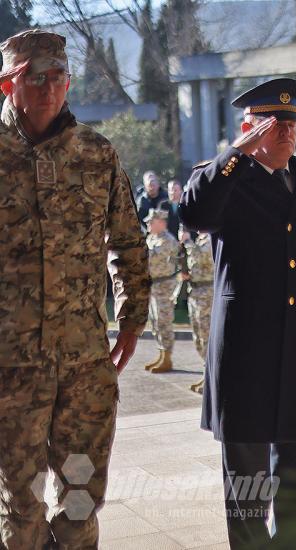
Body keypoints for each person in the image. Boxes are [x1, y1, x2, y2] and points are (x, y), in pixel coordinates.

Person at [180, 78, 296, 549]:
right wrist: (235, 154)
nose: (286, 132)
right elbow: (194, 214)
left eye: (292, 123)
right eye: (274, 124)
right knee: (250, 489)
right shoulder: (225, 178)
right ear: (248, 127)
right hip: (247, 355)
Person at [0, 29, 150, 548]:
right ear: (7, 85)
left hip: (84, 369)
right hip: (10, 371)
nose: (48, 86)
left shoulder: (97, 154)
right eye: (34, 76)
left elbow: (128, 241)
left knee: (82, 492)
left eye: (58, 76)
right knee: (20, 503)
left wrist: (132, 318)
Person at [143, 208, 181, 374]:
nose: (148, 224)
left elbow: (151, 257)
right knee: (156, 322)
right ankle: (161, 354)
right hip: (153, 285)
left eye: (151, 222)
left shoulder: (168, 240)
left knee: (164, 322)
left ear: (161, 222)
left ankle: (167, 358)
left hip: (165, 286)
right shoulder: (151, 238)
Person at [179, 227, 214, 393]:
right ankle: (205, 373)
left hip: (206, 294)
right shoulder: (200, 239)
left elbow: (202, 257)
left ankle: (210, 379)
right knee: (198, 336)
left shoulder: (211, 238)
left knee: (207, 336)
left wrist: (187, 241)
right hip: (195, 291)